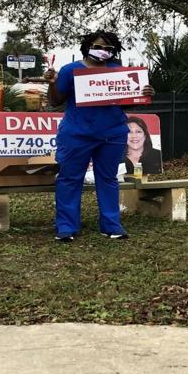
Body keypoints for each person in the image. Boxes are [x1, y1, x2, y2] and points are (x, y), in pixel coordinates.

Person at [46, 31, 152, 241]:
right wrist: (51, 83)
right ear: (87, 46)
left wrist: (145, 94)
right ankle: (66, 227)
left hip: (112, 134)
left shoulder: (119, 72)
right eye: (99, 46)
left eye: (109, 49)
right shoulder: (70, 70)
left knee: (108, 179)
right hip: (76, 135)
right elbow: (55, 101)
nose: (103, 51)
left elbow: (128, 101)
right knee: (69, 179)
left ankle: (111, 225)